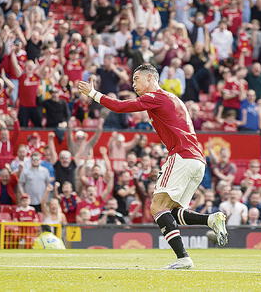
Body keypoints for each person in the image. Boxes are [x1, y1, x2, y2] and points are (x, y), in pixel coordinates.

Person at [77, 64, 228, 269]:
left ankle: (183, 258)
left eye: (136, 79)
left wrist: (93, 93)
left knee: (157, 207)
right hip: (197, 161)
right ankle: (211, 219)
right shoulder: (174, 99)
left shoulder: (156, 97)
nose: (133, 84)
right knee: (172, 212)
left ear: (150, 78)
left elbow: (121, 107)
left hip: (181, 156)